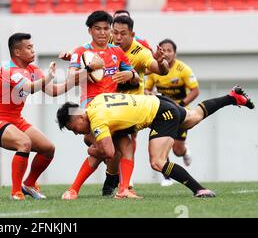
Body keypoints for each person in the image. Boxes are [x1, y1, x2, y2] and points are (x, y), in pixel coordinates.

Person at [57, 85, 254, 199]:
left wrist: (93, 149)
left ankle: (199, 189)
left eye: (73, 128)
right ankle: (232, 97)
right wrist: (93, 143)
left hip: (161, 115)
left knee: (157, 162)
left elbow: (108, 153)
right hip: (157, 101)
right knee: (193, 117)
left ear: (78, 117)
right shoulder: (96, 104)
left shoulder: (97, 119)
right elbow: (118, 141)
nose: (75, 133)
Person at [0, 32, 84, 200]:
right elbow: (30, 87)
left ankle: (29, 184)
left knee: (48, 148)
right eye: (29, 48)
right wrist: (49, 76)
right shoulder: (9, 70)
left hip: (15, 119)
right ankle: (16, 192)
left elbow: (53, 91)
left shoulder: (32, 69)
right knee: (24, 143)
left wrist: (75, 80)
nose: (33, 51)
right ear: (17, 52)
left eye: (33, 47)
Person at [58, 11, 139, 199]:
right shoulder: (81, 52)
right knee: (106, 150)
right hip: (92, 109)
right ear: (89, 30)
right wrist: (89, 68)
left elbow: (135, 78)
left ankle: (122, 187)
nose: (102, 33)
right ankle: (76, 189)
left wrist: (131, 75)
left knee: (126, 145)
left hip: (115, 108)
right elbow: (70, 79)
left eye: (105, 29)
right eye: (97, 29)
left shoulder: (117, 52)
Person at [98, 15, 170, 197]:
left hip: (131, 107)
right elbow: (87, 55)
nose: (118, 37)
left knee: (124, 145)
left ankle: (122, 182)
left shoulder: (140, 51)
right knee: (104, 149)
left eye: (123, 33)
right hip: (107, 104)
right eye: (115, 33)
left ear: (132, 34)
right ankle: (113, 177)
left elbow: (160, 70)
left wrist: (161, 61)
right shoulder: (105, 46)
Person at [145, 39, 199, 186]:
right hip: (162, 112)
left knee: (177, 150)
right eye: (164, 50)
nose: (167, 53)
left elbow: (195, 90)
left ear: (175, 53)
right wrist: (149, 94)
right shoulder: (155, 70)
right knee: (162, 142)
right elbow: (146, 89)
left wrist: (181, 105)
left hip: (180, 113)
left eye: (170, 50)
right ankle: (167, 178)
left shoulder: (184, 70)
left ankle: (185, 150)